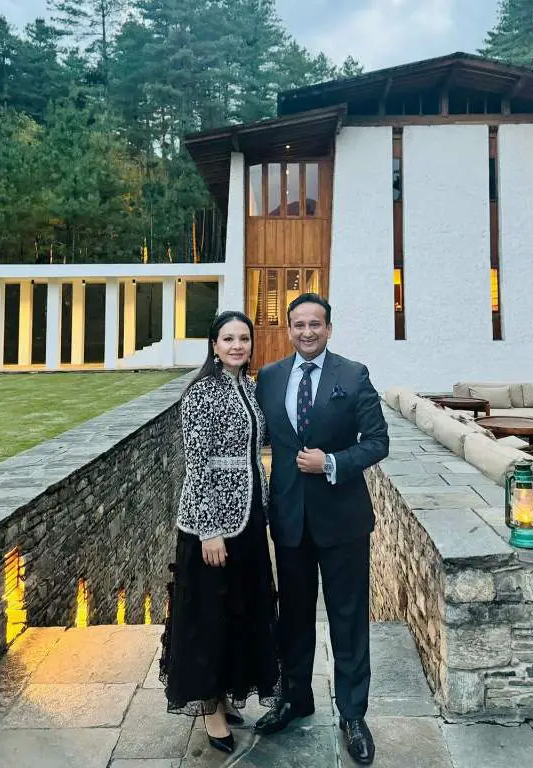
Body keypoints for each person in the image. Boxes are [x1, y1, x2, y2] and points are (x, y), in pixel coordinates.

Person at [254, 293, 389, 765]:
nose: (307, 332)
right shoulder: (268, 378)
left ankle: (352, 713)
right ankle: (295, 698)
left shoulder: (353, 375)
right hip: (289, 520)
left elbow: (378, 442)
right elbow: (256, 436)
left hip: (343, 521)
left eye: (315, 324)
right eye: (299, 324)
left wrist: (332, 462)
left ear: (329, 329)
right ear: (288, 329)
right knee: (291, 617)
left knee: (347, 619)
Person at [159, 310, 280, 755]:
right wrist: (210, 530)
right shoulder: (201, 394)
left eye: (243, 338)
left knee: (238, 611)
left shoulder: (249, 388)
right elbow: (198, 463)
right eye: (228, 338)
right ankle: (209, 706)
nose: (236, 345)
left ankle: (227, 693)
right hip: (211, 526)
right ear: (213, 345)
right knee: (207, 617)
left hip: (249, 519)